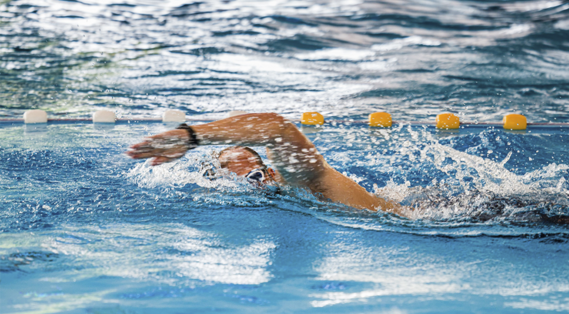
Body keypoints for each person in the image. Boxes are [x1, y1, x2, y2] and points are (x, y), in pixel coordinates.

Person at [126, 111, 406, 211]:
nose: (256, 189)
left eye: (254, 178)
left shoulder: (303, 180)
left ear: (271, 173)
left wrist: (190, 136)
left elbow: (278, 129)